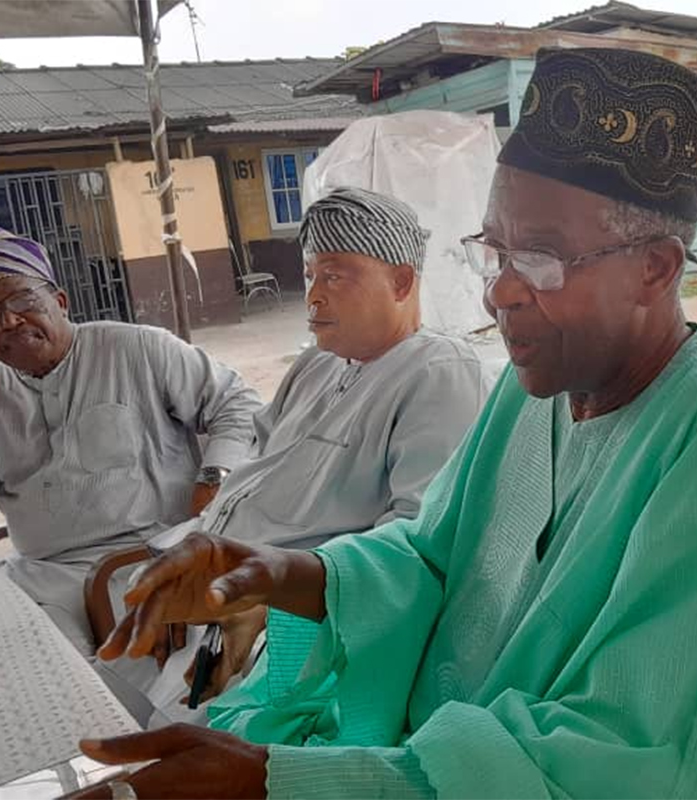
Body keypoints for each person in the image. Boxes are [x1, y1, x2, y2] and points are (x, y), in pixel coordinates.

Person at [76, 47, 697, 800]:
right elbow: (437, 557)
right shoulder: (531, 388)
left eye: (538, 258)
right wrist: (278, 574)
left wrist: (281, 783)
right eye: (494, 252)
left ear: (657, 269)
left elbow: (635, 755)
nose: (498, 293)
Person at [153, 187, 488, 703]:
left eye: (334, 276)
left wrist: (271, 601)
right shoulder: (318, 362)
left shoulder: (437, 372)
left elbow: (418, 541)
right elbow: (259, 457)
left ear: (401, 282)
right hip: (216, 610)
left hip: (294, 633)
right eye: (310, 276)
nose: (312, 295)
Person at [0, 223, 262, 717]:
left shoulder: (136, 348)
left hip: (144, 560)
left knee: (117, 699)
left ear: (62, 301)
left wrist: (212, 482)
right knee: (17, 678)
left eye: (25, 299)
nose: (8, 320)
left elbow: (237, 404)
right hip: (43, 576)